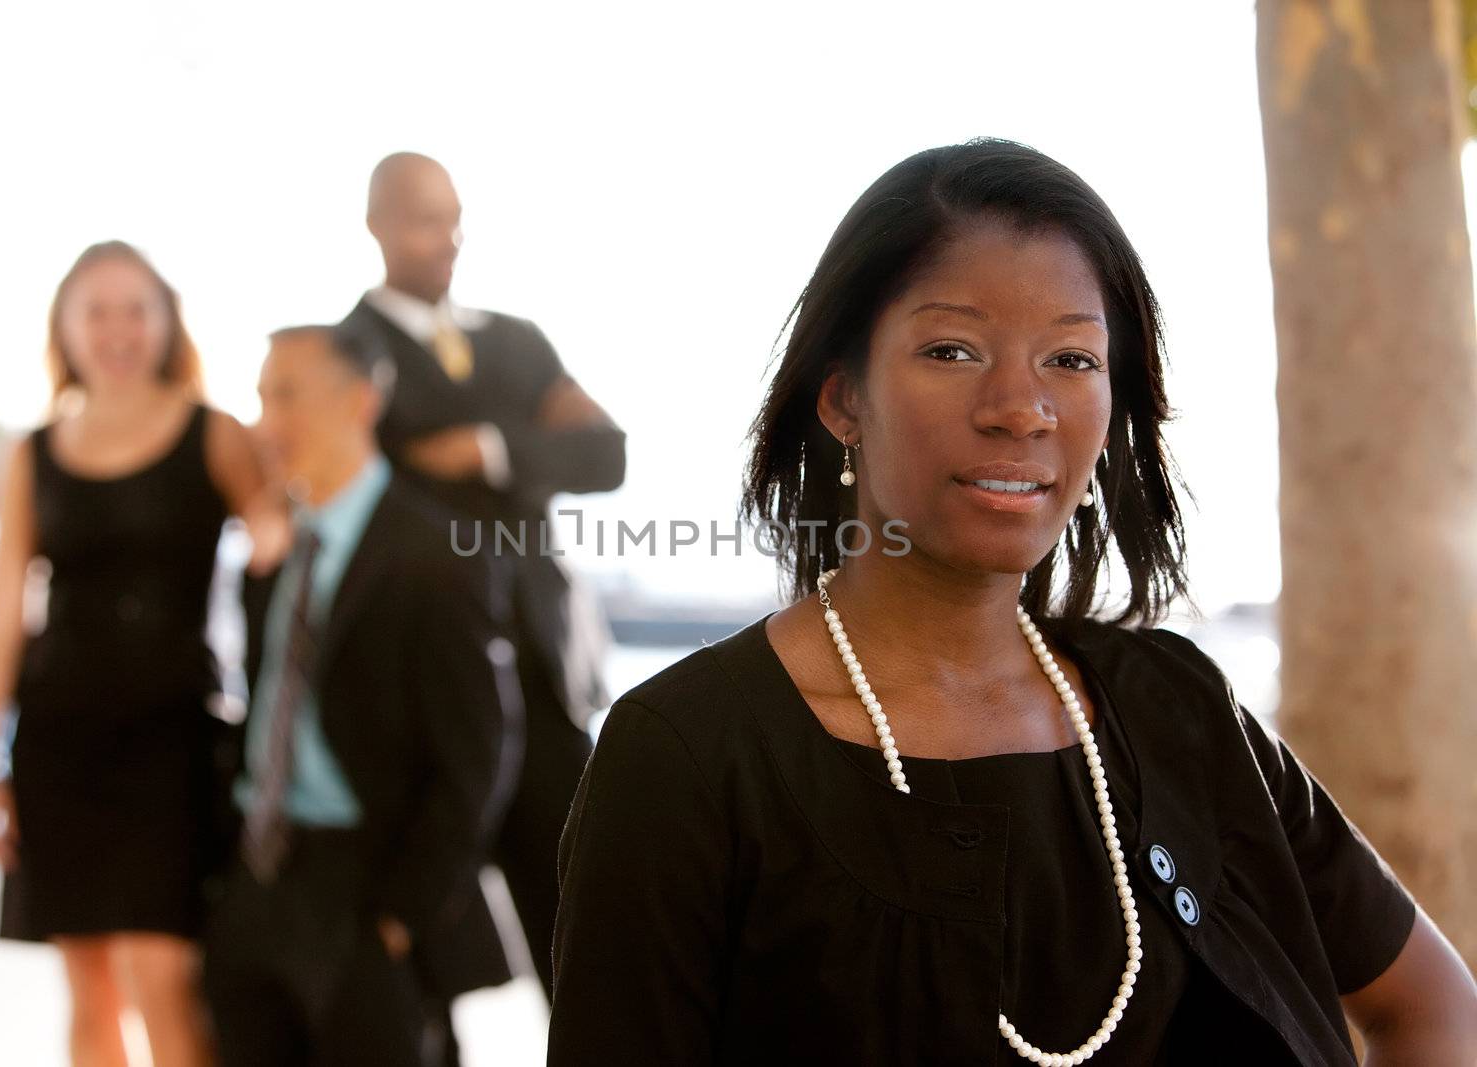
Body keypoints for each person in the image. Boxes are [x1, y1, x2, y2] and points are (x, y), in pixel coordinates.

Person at [548, 141, 1477, 1065]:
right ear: (842, 399)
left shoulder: (1181, 712)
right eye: (952, 349)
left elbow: (1436, 1009)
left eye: (1071, 358)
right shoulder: (686, 758)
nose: (1020, 407)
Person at [0, 240, 285, 1067]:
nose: (116, 329)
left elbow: (281, 556)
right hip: (59, 739)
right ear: (64, 328)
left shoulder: (215, 433)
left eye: (134, 308)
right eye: (95, 311)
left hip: (173, 739)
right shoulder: (29, 453)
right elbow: (3, 607)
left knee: (165, 979)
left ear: (167, 321)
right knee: (89, 992)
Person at [337, 153, 625, 1017]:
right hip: (412, 696)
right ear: (379, 223)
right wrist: (523, 450)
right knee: (414, 958)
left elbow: (606, 452)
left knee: (584, 934)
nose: (448, 238)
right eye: (428, 218)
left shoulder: (518, 341)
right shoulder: (343, 352)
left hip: (539, 678)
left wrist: (485, 449)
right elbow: (358, 483)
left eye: (456, 218)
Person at [201, 325, 522, 1067]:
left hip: (369, 888)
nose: (265, 422)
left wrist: (403, 913)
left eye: (286, 395)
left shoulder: (438, 555)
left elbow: (481, 750)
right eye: (259, 397)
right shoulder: (276, 551)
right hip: (257, 877)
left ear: (360, 401)